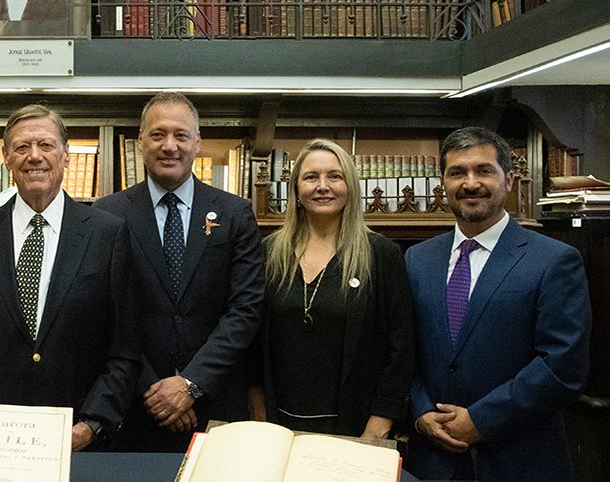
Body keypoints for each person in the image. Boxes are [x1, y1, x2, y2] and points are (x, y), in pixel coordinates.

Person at [0, 104, 137, 451]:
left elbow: (125, 348)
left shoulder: (108, 235)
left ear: (65, 155)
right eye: (22, 147)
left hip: (79, 440)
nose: (35, 157)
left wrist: (92, 423)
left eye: (45, 145)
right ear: (7, 158)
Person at [406, 127, 591, 481]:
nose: (470, 183)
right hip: (433, 460)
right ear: (442, 183)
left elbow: (562, 366)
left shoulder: (554, 260)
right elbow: (404, 352)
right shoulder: (417, 259)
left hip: (519, 459)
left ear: (508, 179)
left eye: (483, 170)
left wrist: (480, 420)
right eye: (457, 172)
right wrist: (421, 413)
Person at [94, 92, 265, 452]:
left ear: (197, 142)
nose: (169, 146)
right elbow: (105, 316)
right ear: (140, 142)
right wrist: (154, 391)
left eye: (181, 135)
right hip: (134, 408)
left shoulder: (235, 214)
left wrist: (190, 384)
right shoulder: (106, 216)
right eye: (157, 135)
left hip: (215, 406)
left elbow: (245, 310)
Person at [249, 139, 413, 439]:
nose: (322, 186)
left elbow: (401, 347)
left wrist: (379, 424)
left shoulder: (381, 255)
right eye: (311, 177)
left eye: (334, 176)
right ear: (296, 190)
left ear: (350, 187)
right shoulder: (269, 252)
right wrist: (257, 408)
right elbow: (252, 341)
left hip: (355, 424)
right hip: (276, 423)